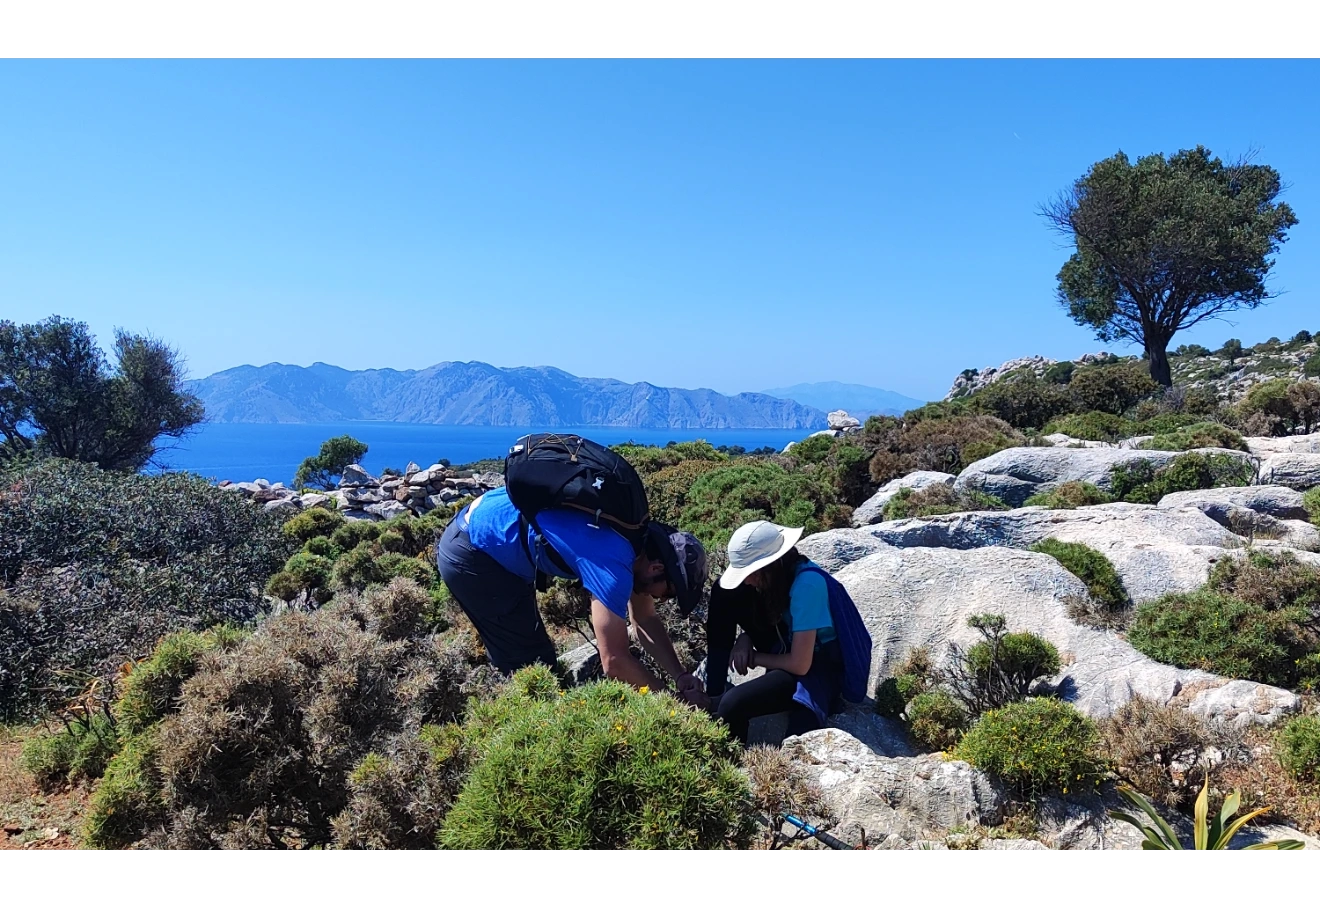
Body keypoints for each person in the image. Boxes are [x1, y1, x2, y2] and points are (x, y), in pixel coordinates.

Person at [436, 485, 709, 703]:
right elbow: (614, 662)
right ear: (657, 568)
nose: (663, 600)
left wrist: (680, 675)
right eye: (669, 592)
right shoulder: (612, 566)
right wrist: (675, 706)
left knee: (532, 654)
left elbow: (645, 619)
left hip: (494, 523)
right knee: (531, 667)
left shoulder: (639, 544)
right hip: (475, 550)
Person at [704, 519, 845, 745]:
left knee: (733, 704)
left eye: (752, 573)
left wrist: (755, 657)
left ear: (772, 564)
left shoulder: (807, 585)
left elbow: (801, 664)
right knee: (723, 592)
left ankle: (732, 769)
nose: (748, 581)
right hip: (792, 652)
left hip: (820, 670)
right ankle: (713, 697)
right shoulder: (781, 579)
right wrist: (745, 637)